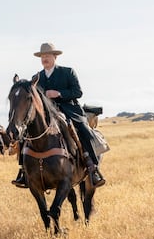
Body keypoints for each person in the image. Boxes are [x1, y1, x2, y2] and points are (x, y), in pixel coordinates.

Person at [11, 42, 106, 188]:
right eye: (42, 56)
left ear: (55, 57)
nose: (45, 59)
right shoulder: (36, 78)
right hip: (46, 114)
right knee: (26, 134)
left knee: (84, 130)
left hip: (69, 110)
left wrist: (59, 94)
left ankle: (92, 167)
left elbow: (78, 92)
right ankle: (23, 172)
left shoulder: (68, 72)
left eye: (48, 55)